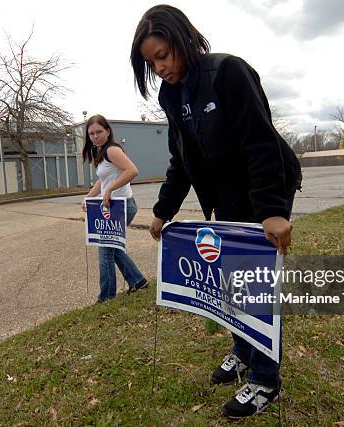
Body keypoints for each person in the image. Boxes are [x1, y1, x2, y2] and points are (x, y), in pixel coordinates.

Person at [130, 5, 302, 419]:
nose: (160, 68)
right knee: (228, 281)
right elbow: (181, 158)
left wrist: (272, 212)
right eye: (151, 62)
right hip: (224, 197)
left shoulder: (228, 73)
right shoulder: (170, 95)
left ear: (184, 39)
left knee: (254, 283)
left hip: (266, 186)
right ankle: (241, 350)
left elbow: (259, 142)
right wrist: (162, 210)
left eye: (164, 55)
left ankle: (264, 379)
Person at [82, 114, 148, 303]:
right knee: (113, 247)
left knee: (105, 250)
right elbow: (102, 180)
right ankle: (138, 281)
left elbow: (132, 170)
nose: (95, 136)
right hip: (112, 208)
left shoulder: (112, 150)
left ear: (108, 131)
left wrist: (110, 189)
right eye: (92, 133)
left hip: (122, 206)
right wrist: (88, 198)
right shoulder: (101, 151)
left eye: (99, 132)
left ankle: (107, 297)